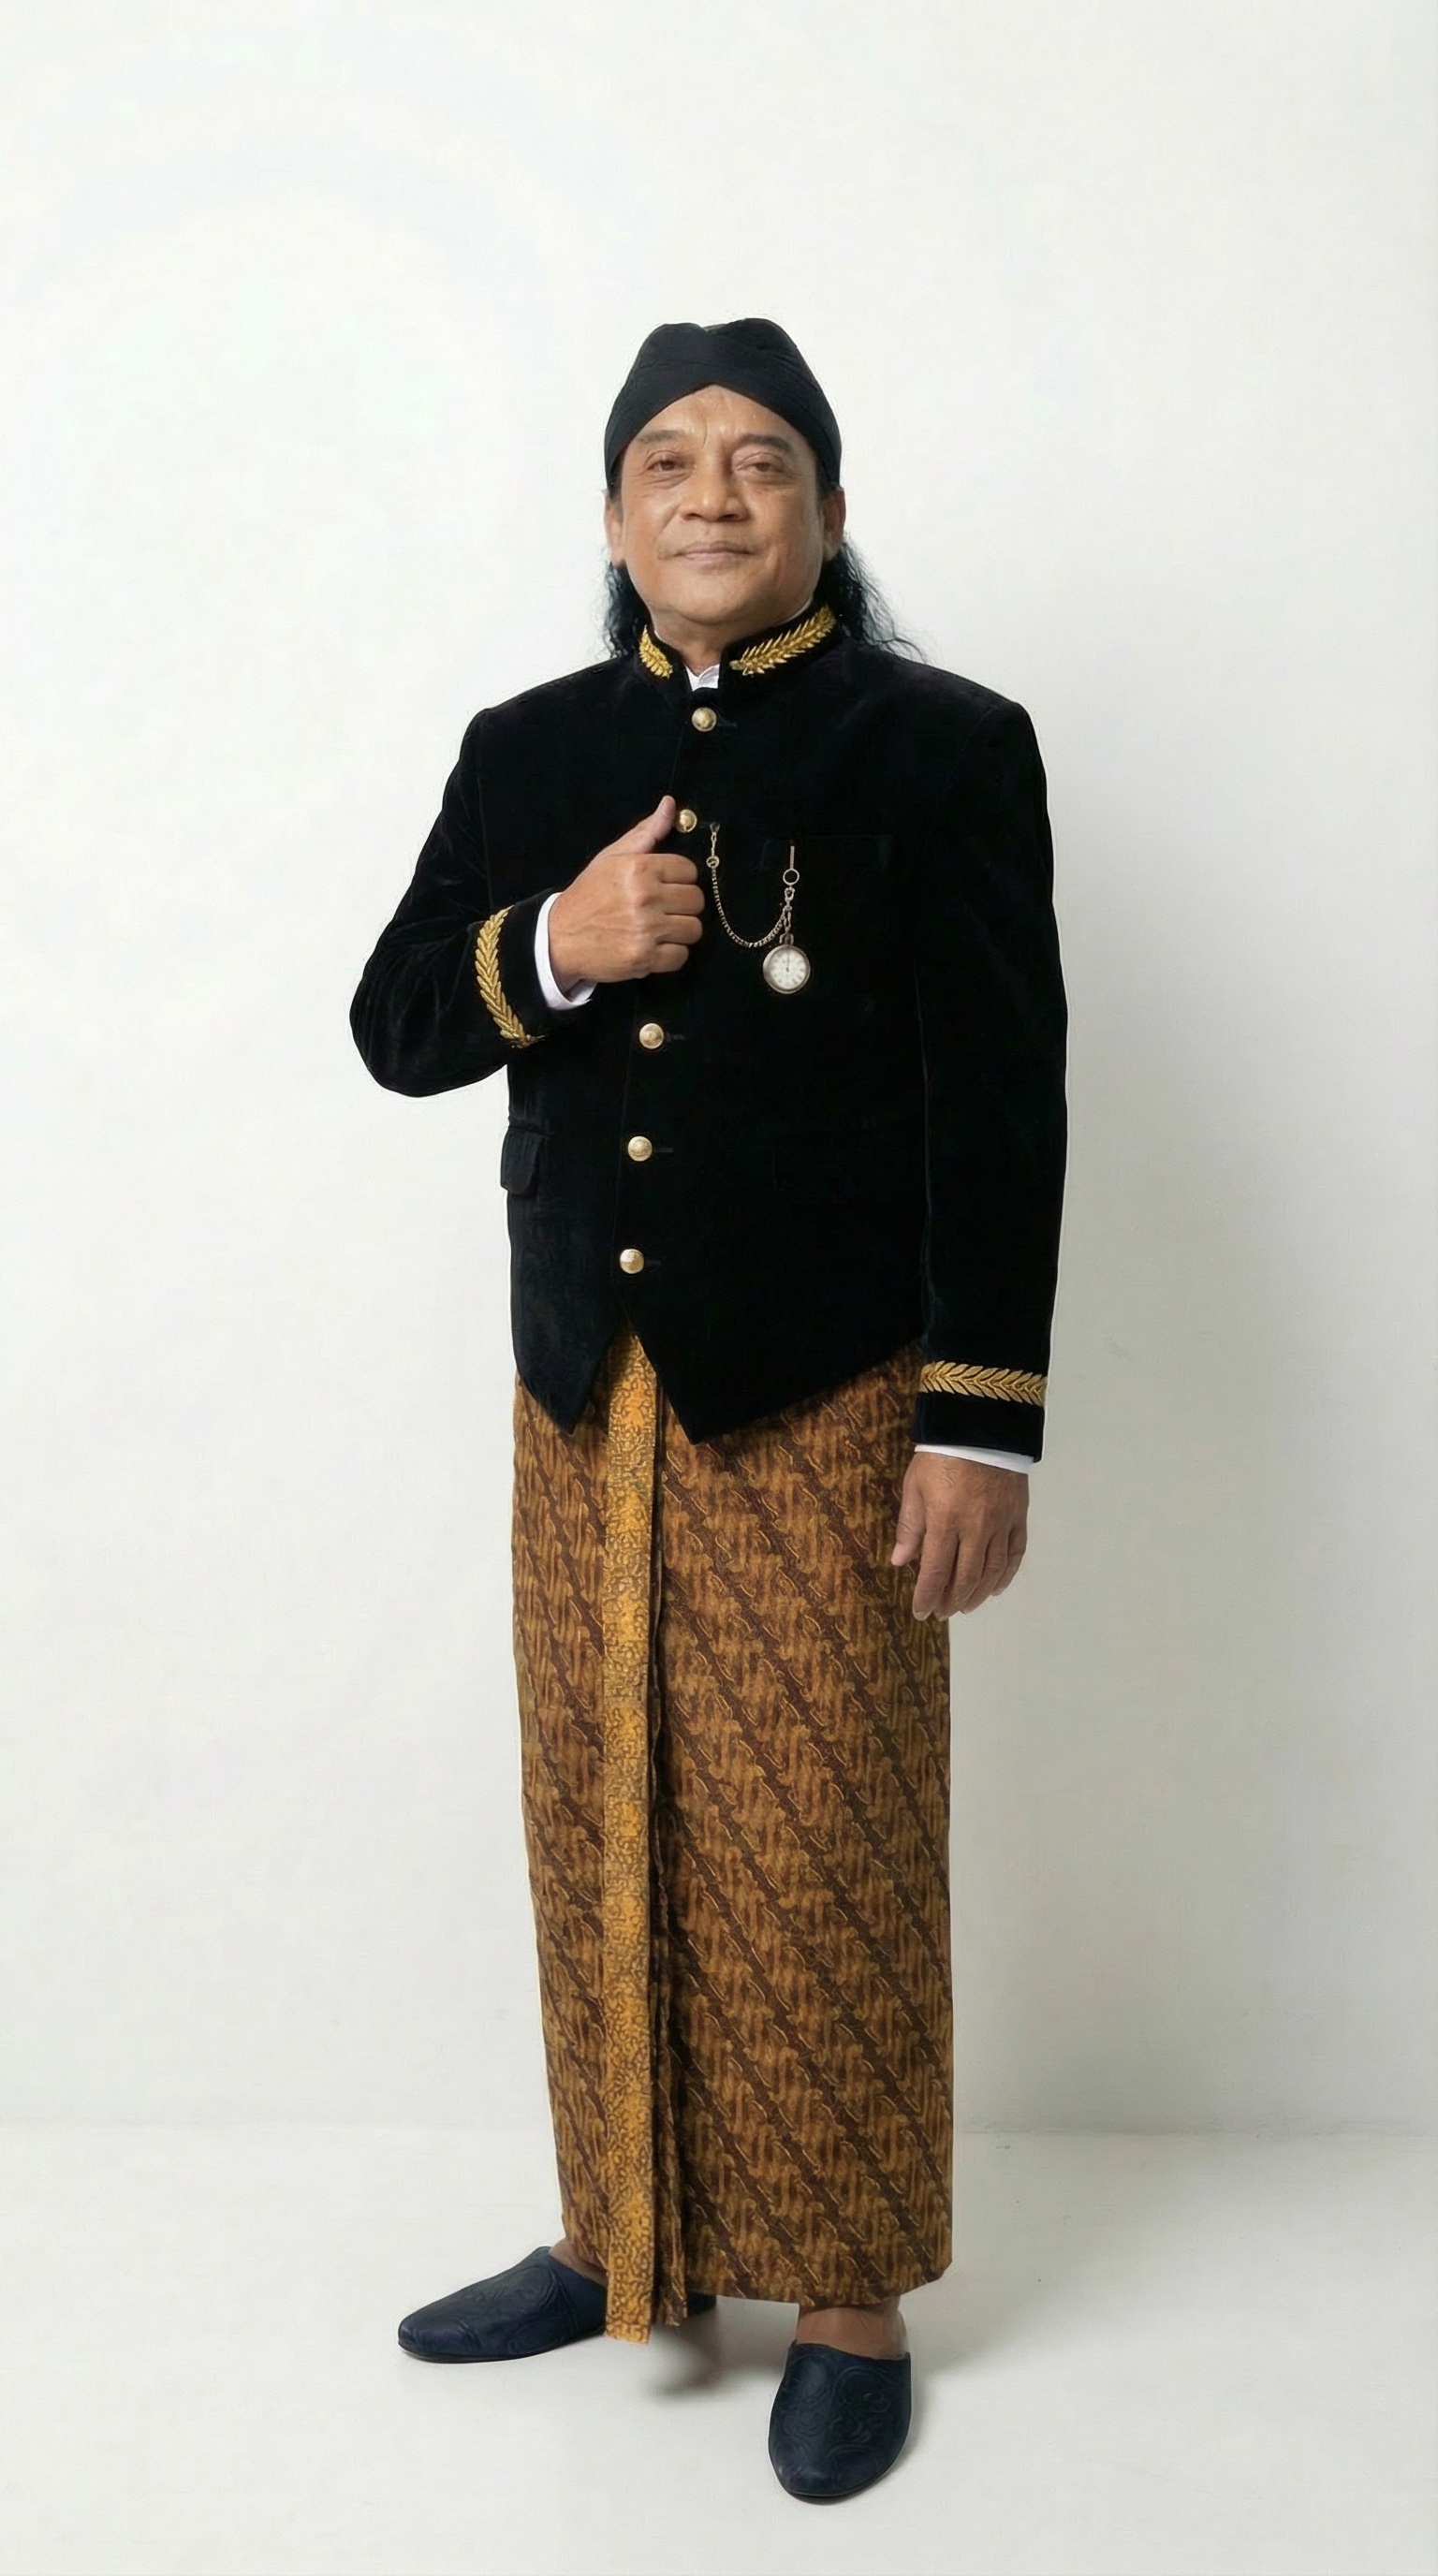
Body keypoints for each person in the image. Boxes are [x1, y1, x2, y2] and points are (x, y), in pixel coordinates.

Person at [350, 317, 1066, 2502]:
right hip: (588, 1387)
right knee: (601, 1808)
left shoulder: (945, 747)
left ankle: (846, 2293)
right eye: (668, 460)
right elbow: (398, 1022)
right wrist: (557, 941)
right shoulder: (529, 747)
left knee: (824, 1831)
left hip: (832, 1387)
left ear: (829, 507)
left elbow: (1005, 1100)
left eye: (762, 459)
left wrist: (981, 1418)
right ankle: (622, 2239)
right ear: (613, 514)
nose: (714, 493)